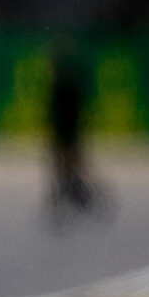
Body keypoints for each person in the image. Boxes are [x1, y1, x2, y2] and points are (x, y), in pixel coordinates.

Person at [48, 53, 99, 221]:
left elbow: (57, 116)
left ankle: (73, 197)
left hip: (65, 136)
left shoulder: (60, 90)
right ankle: (75, 197)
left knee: (67, 169)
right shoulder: (70, 90)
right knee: (70, 169)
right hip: (69, 135)